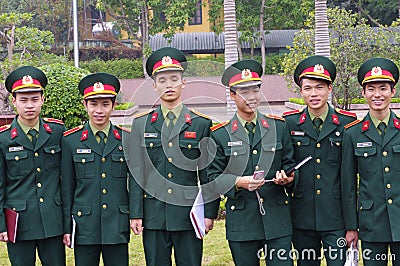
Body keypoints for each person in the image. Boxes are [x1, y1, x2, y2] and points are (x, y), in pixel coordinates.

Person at [127, 47, 218, 266]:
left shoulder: (200, 123)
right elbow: (137, 172)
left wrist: (210, 212)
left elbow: (208, 173)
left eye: (174, 79)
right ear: (154, 85)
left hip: (188, 214)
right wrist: (136, 214)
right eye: (163, 80)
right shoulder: (141, 124)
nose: (169, 85)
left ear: (183, 83)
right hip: (154, 213)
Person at [207, 59, 296, 266]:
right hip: (242, 221)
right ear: (232, 95)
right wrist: (239, 182)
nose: (251, 97)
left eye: (255, 91)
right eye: (244, 92)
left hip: (277, 219)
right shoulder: (220, 134)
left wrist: (288, 178)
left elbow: (290, 164)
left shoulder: (278, 127)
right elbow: (213, 178)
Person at [282, 55, 357, 265]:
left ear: (330, 89)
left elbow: (350, 179)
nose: (313, 93)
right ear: (301, 91)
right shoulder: (289, 123)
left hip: (336, 218)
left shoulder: (347, 123)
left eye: (319, 87)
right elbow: (286, 163)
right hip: (302, 216)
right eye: (308, 88)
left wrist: (352, 225)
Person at [61, 73, 132, 265]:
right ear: (85, 105)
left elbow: (134, 183)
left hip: (117, 223)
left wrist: (135, 216)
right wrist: (67, 226)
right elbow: (67, 188)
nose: (99, 110)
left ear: (114, 105)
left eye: (105, 104)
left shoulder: (126, 139)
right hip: (85, 225)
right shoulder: (71, 141)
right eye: (93, 104)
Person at [0, 66, 65, 265]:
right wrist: (1, 224)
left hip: (52, 221)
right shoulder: (3, 139)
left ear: (42, 100)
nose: (30, 105)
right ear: (14, 101)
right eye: (23, 100)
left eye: (35, 99)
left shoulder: (56, 132)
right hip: (19, 222)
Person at [342, 57, 400, 266]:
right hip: (371, 223)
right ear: (363, 93)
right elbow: (348, 185)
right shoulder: (353, 134)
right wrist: (351, 227)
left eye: (383, 88)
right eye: (371, 89)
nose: (377, 95)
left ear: (393, 91)